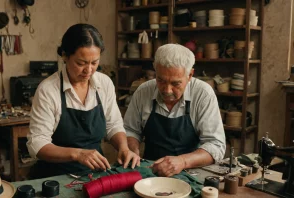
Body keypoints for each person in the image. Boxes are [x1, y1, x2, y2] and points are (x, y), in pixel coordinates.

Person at [27, 24, 140, 178]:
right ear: (65, 56)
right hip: (56, 176)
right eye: (81, 63)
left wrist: (124, 148)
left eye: (94, 63)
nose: (88, 71)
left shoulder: (104, 83)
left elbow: (113, 125)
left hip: (95, 174)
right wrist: (78, 154)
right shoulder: (48, 90)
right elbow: (37, 144)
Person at [124, 44, 226, 177]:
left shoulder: (203, 94)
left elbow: (215, 145)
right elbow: (130, 130)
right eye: (160, 80)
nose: (167, 90)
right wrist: (132, 151)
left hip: (190, 172)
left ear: (190, 75)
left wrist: (182, 161)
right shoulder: (143, 92)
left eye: (175, 83)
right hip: (151, 170)